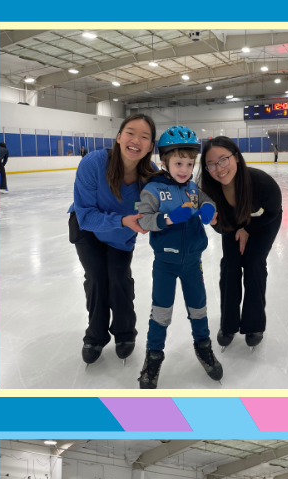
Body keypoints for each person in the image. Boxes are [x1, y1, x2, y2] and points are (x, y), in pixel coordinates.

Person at [133, 126, 222, 389]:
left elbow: (207, 201)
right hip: (165, 264)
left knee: (198, 308)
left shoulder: (193, 188)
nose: (184, 169)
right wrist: (169, 218)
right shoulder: (153, 189)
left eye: (190, 164)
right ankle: (153, 357)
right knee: (161, 312)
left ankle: (203, 346)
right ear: (165, 162)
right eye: (178, 163)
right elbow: (143, 220)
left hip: (193, 262)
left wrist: (208, 208)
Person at [68, 114, 157, 366]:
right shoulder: (93, 163)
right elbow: (86, 216)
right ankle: (95, 335)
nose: (136, 140)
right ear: (118, 137)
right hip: (88, 228)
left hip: (121, 234)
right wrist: (122, 220)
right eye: (130, 133)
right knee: (97, 278)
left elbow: (166, 205)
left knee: (119, 278)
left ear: (151, 146)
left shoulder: (151, 177)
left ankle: (125, 332)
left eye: (144, 137)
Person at [199, 137, 283, 352]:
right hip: (233, 225)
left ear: (236, 157)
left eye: (223, 159)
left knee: (254, 263)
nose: (219, 168)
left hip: (263, 222)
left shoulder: (261, 183)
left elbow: (273, 211)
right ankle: (228, 324)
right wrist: (218, 224)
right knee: (230, 266)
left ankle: (254, 324)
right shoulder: (209, 191)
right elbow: (221, 227)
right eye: (211, 164)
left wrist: (248, 229)